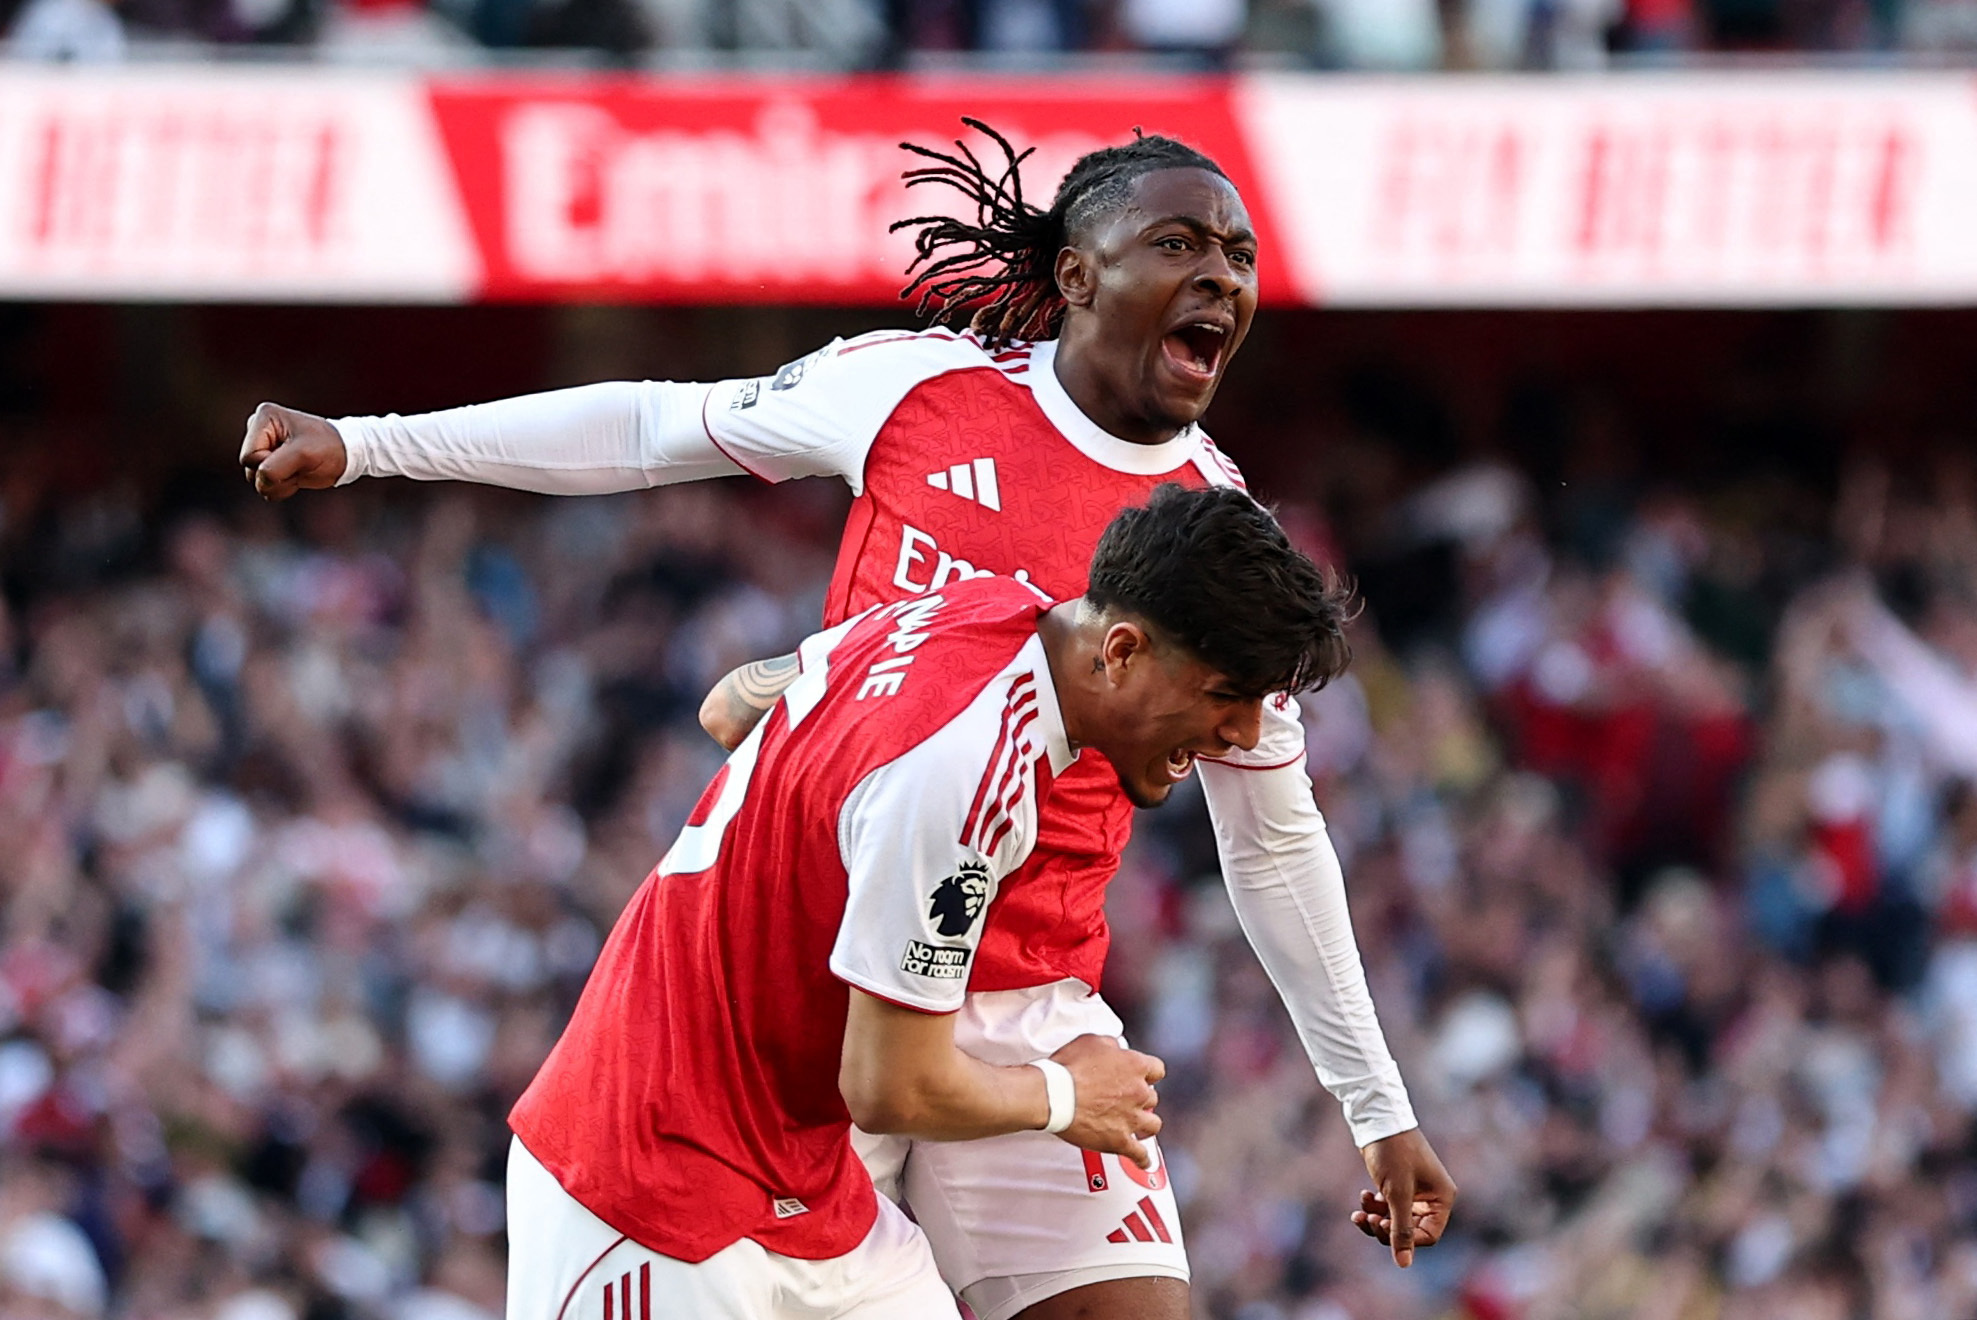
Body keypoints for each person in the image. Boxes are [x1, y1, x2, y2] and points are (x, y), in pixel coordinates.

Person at [239, 123, 1456, 1320]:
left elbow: (1276, 842)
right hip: (820, 995)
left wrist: (1377, 1107)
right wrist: (371, 446)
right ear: (1078, 275)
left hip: (1021, 1002)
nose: (1220, 277)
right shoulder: (916, 392)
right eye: (1181, 243)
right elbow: (656, 428)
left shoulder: (1223, 547)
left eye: (1240, 256)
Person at [506, 485, 1351, 1319]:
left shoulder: (981, 607)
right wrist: (1065, 1094)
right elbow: (885, 1085)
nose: (1241, 736)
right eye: (1222, 698)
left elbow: (730, 703)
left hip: (804, 1184)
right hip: (648, 1179)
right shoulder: (963, 771)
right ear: (1122, 651)